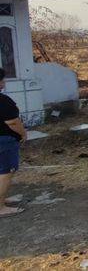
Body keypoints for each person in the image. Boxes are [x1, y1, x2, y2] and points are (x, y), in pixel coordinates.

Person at [0, 67, 26, 217]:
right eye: (2, 79)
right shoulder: (3, 101)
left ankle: (2, 199)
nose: (3, 82)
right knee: (5, 173)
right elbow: (12, 122)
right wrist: (23, 133)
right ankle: (1, 207)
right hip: (4, 141)